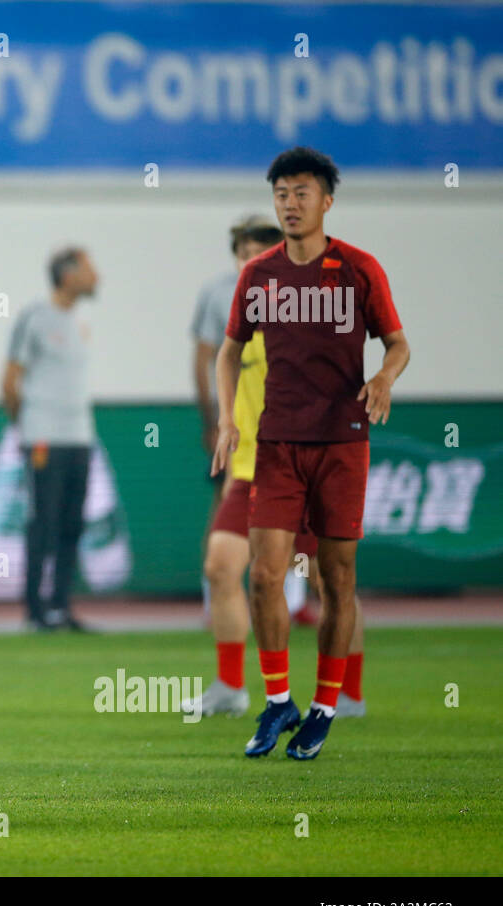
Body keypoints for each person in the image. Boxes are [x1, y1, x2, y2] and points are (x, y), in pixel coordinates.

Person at [212, 147, 409, 760]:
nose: (290, 204)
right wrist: (226, 419)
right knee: (266, 576)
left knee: (336, 577)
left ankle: (326, 705)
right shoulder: (259, 274)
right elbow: (227, 350)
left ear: (327, 200)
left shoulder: (358, 268)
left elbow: (398, 344)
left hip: (344, 443)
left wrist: (383, 379)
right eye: (281, 194)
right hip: (276, 444)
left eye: (301, 193)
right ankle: (277, 701)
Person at [189, 221, 367, 718]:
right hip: (250, 469)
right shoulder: (239, 318)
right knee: (221, 568)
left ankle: (347, 692)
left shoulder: (312, 312)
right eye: (243, 254)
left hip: (307, 465)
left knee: (329, 581)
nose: (252, 262)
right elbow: (212, 361)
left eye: (259, 252)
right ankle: (230, 686)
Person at [1, 247, 98, 630]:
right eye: (90, 270)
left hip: (80, 437)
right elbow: (10, 382)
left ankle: (60, 605)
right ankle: (35, 609)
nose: (97, 278)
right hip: (43, 437)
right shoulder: (36, 318)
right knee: (43, 520)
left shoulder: (82, 320)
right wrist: (27, 429)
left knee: (72, 523)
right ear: (68, 274)